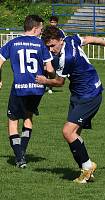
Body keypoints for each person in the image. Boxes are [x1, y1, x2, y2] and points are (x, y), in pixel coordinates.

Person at [36, 25, 105, 183]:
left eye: (52, 46)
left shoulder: (66, 58)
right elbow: (89, 39)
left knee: (68, 132)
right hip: (80, 93)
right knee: (74, 134)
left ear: (60, 40)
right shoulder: (71, 39)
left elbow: (59, 82)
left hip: (89, 95)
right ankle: (86, 169)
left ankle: (87, 168)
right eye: (47, 47)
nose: (50, 50)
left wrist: (44, 81)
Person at [0, 15, 54, 168]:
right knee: (28, 116)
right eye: (41, 29)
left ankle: (19, 157)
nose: (42, 32)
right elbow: (49, 69)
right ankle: (22, 151)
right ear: (35, 28)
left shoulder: (13, 42)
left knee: (13, 121)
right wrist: (54, 77)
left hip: (19, 88)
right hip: (37, 88)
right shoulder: (41, 44)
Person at [47, 16, 66, 94]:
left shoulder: (60, 31)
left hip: (55, 54)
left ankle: (50, 87)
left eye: (54, 22)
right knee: (45, 70)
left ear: (57, 23)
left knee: (53, 70)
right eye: (51, 22)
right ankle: (43, 85)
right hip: (47, 53)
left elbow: (64, 41)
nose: (53, 24)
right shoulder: (46, 31)